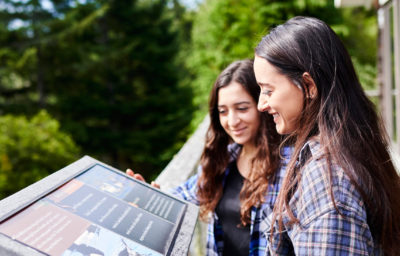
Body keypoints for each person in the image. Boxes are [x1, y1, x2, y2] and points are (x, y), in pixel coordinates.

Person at [253, 16, 400, 255]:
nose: (261, 104)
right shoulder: (352, 147)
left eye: (268, 90)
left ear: (309, 86)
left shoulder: (328, 180)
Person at [127, 59, 291, 256]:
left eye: (242, 108)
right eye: (223, 111)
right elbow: (179, 198)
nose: (232, 121)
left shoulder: (289, 165)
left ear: (262, 105)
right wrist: (148, 195)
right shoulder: (223, 163)